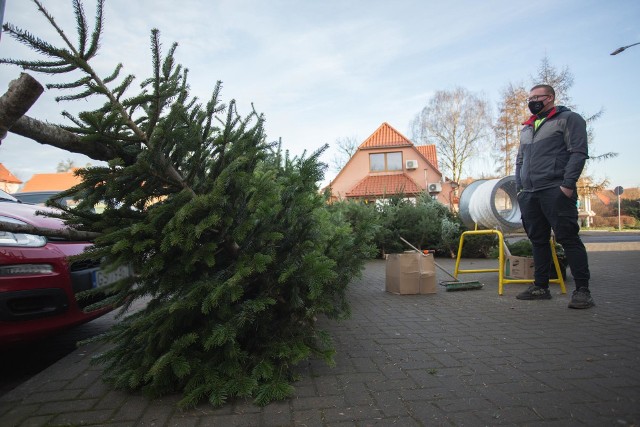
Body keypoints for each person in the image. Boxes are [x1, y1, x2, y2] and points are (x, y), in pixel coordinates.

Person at [514, 84, 594, 309]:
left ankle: (582, 291)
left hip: (555, 189)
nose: (531, 102)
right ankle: (541, 287)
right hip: (530, 193)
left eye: (536, 97)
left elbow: (578, 152)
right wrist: (520, 189)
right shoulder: (527, 128)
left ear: (549, 98)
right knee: (538, 240)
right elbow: (520, 161)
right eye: (529, 98)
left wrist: (567, 185)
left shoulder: (569, 119)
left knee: (568, 238)